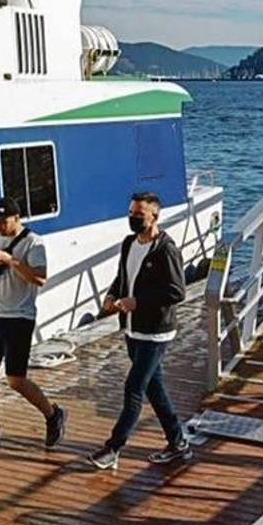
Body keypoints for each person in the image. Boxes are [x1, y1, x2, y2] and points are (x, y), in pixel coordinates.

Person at [89, 193, 193, 470]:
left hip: (156, 332)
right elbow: (123, 276)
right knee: (154, 388)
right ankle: (178, 442)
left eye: (139, 214)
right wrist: (112, 295)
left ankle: (113, 448)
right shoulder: (129, 244)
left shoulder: (166, 249)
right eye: (131, 212)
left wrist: (138, 301)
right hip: (132, 329)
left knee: (134, 388)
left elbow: (176, 291)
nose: (133, 218)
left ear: (154, 217)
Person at [0, 196, 66, 449]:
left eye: (3, 221)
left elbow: (40, 279)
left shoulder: (34, 243)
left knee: (15, 379)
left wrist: (10, 261)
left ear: (16, 218)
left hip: (18, 319)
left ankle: (52, 414)